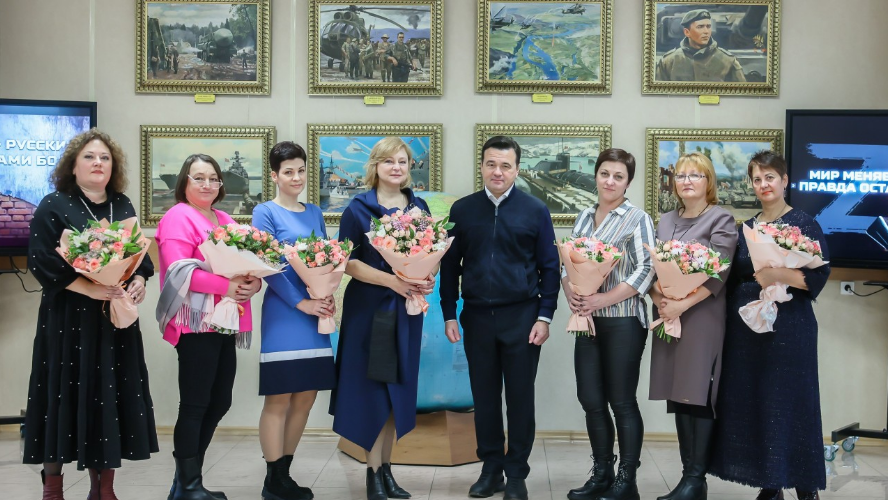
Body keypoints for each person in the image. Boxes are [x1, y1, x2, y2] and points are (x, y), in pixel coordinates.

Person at [22, 129, 158, 499]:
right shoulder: (53, 204)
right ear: (73, 165)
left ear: (113, 167)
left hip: (113, 321)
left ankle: (103, 488)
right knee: (60, 396)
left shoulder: (121, 204)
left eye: (105, 158)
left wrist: (139, 281)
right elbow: (41, 261)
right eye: (89, 157)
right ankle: (53, 488)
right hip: (67, 321)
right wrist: (92, 288)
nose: (98, 163)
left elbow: (140, 258)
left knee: (108, 396)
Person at [441, 136, 560, 500]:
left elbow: (550, 268)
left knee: (520, 399)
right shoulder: (463, 210)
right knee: (485, 398)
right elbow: (449, 266)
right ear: (481, 166)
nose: (498, 171)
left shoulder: (535, 210)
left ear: (517, 170)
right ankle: (491, 469)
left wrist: (545, 316)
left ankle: (517, 473)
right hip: (476, 317)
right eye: (491, 164)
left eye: (505, 166)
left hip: (522, 317)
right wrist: (449, 313)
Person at [709, 151, 830, 500]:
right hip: (747, 331)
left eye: (770, 178)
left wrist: (777, 274)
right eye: (757, 179)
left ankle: (806, 487)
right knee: (756, 403)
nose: (763, 185)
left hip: (790, 329)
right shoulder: (745, 228)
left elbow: (817, 277)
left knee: (793, 405)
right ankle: (770, 484)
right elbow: (733, 277)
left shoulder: (804, 224)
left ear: (784, 180)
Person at [330, 137, 436, 500]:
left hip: (407, 310)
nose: (396, 167)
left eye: (402, 161)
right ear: (375, 166)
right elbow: (348, 262)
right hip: (370, 311)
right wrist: (393, 280)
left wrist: (426, 276)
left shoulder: (419, 207)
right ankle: (373, 472)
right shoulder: (357, 209)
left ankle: (387, 470)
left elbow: (431, 253)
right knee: (372, 391)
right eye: (389, 161)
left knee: (397, 391)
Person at [155, 154, 262, 500]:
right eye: (199, 178)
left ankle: (185, 483)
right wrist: (227, 286)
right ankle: (188, 485)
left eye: (213, 178)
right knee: (196, 404)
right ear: (184, 181)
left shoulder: (225, 218)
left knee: (219, 401)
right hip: (195, 322)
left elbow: (250, 265)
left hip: (225, 320)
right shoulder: (177, 217)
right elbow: (178, 271)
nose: (207, 184)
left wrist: (253, 283)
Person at [564, 149, 656, 500]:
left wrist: (603, 299)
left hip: (623, 320)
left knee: (621, 400)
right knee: (590, 398)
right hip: (586, 320)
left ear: (628, 182)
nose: (610, 181)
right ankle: (602, 473)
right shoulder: (584, 216)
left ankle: (626, 480)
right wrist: (571, 293)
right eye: (605, 173)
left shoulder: (638, 218)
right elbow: (569, 263)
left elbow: (646, 269)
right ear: (596, 176)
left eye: (618, 176)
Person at [648, 152, 738, 500]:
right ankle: (691, 481)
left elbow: (719, 273)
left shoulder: (721, 219)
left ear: (708, 182)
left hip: (701, 316)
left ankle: (695, 478)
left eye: (695, 175)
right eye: (681, 175)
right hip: (669, 314)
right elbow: (653, 269)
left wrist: (681, 305)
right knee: (679, 394)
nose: (686, 181)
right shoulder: (665, 220)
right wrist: (660, 299)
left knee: (698, 394)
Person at [252, 142, 336, 500]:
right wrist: (302, 302)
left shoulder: (314, 211)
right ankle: (272, 478)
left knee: (305, 396)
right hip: (285, 313)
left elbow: (327, 258)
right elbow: (268, 265)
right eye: (288, 171)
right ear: (274, 175)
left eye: (301, 170)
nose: (296, 177)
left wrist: (328, 293)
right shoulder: (264, 212)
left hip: (316, 313)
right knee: (279, 397)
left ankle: (284, 474)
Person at [655, 9, 747, 82]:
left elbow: (741, 94)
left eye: (708, 26)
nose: (706, 31)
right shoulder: (668, 62)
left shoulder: (728, 61)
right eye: (700, 27)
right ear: (687, 32)